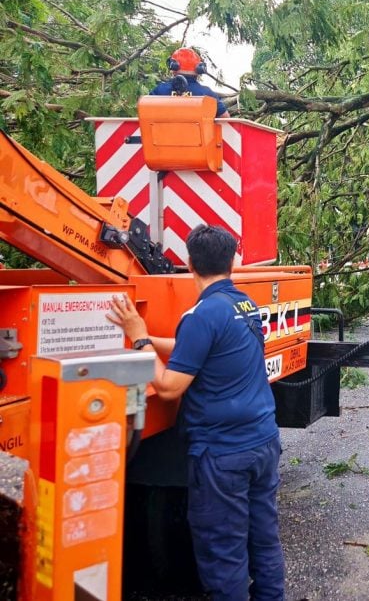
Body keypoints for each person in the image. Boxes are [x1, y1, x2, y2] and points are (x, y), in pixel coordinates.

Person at [107, 225, 284, 600]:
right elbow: (197, 345)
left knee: (223, 552)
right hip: (263, 443)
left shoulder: (201, 315)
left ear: (189, 264)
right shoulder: (244, 305)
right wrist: (150, 337)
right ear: (231, 263)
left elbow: (169, 388)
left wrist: (139, 338)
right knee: (264, 539)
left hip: (223, 454)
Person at [151, 47, 230, 118]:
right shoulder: (208, 94)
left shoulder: (160, 91)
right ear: (199, 69)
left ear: (173, 66)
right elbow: (225, 118)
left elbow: (145, 112)